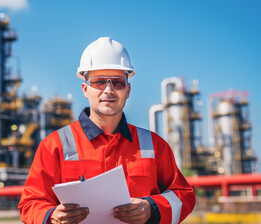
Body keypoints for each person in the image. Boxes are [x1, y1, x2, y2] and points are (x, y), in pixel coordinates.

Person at [18, 37, 196, 224]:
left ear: (128, 90)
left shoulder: (154, 145)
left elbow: (183, 195)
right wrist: (51, 217)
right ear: (85, 89)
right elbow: (30, 203)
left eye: (117, 82)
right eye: (99, 82)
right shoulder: (55, 145)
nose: (108, 90)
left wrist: (152, 208)